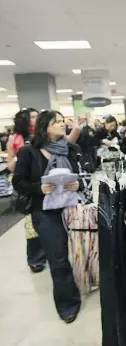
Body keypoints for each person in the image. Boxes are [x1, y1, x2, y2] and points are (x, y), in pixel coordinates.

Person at [13, 110, 82, 323]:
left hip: (72, 208)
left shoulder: (70, 149)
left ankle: (80, 283)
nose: (63, 125)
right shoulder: (28, 152)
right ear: (46, 127)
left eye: (63, 121)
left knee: (81, 251)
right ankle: (68, 304)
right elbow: (18, 183)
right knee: (58, 258)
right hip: (44, 213)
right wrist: (39, 188)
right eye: (58, 122)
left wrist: (77, 184)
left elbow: (83, 174)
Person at [7, 108, 46, 273]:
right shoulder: (15, 139)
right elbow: (10, 166)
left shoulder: (42, 137)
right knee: (31, 226)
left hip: (44, 183)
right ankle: (35, 257)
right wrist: (21, 158)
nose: (36, 119)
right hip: (26, 185)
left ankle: (47, 252)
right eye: (33, 117)